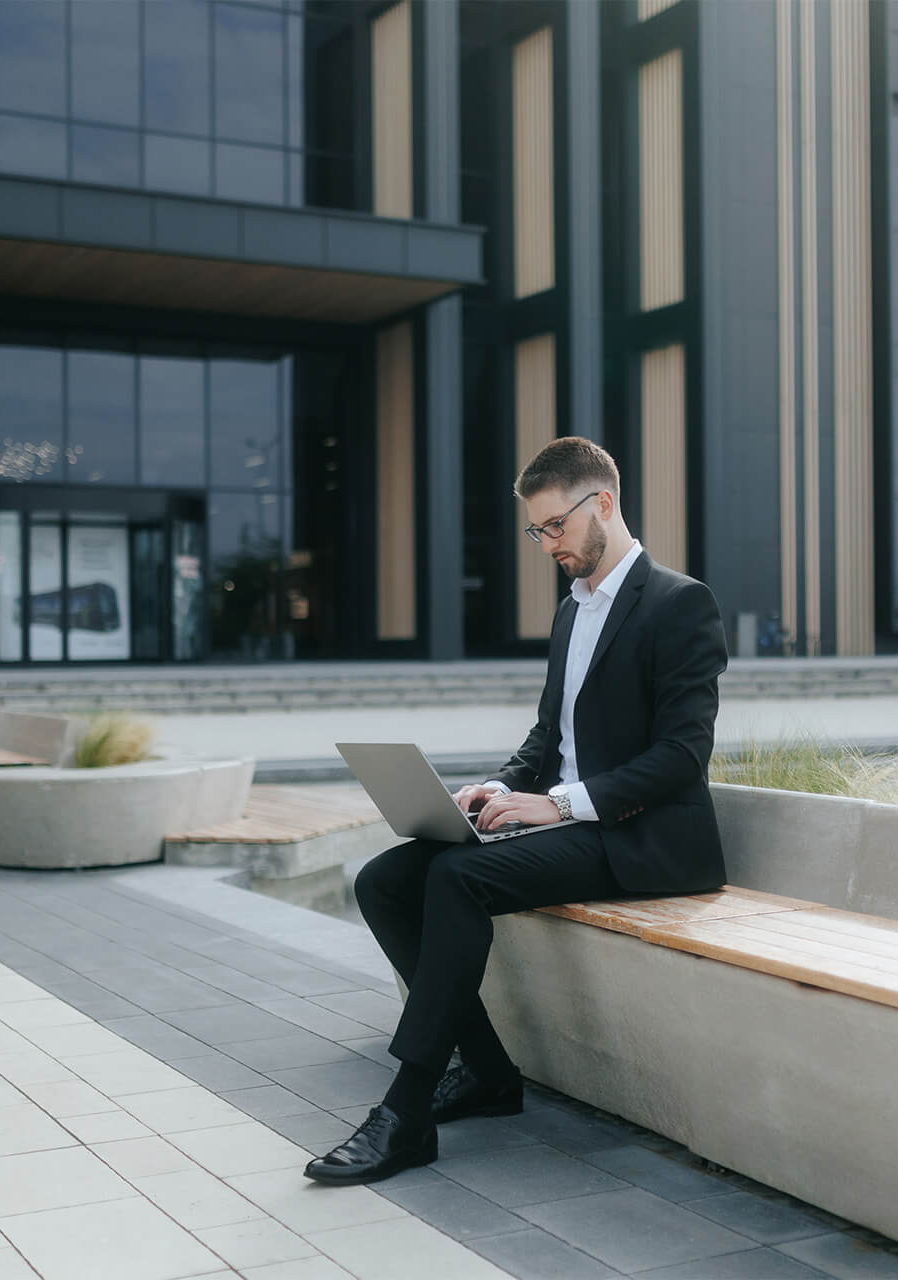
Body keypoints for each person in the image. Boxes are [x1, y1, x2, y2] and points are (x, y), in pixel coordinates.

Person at [304, 436, 729, 1185]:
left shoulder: (680, 603)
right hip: (568, 827)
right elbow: (548, 735)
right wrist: (499, 790)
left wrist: (557, 804)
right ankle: (491, 1072)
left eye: (554, 527)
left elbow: (681, 757)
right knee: (384, 882)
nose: (546, 546)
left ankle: (405, 1112)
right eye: (536, 532)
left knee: (457, 879)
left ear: (603, 503)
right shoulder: (573, 610)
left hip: (640, 839)